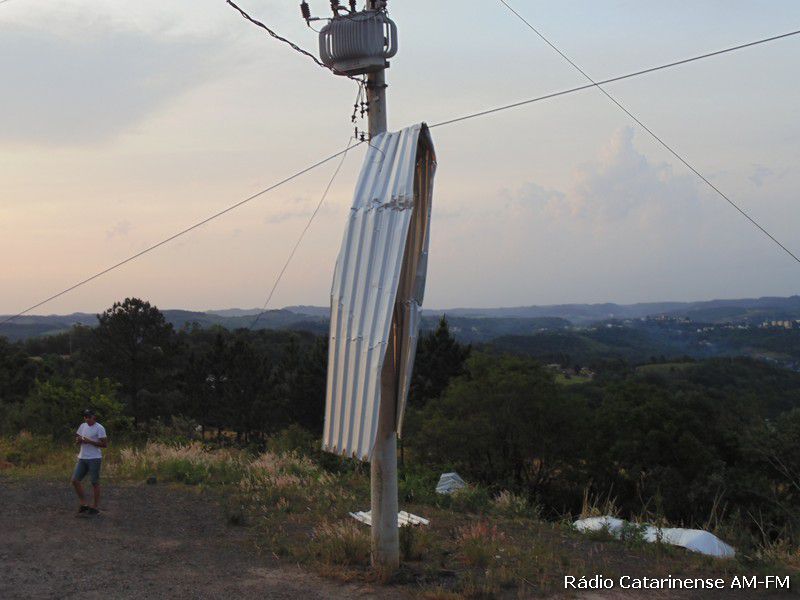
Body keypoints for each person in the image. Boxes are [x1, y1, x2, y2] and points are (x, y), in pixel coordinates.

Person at [71, 408, 108, 515]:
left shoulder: (99, 428)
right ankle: (84, 504)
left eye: (89, 417)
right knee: (75, 480)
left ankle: (95, 507)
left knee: (94, 482)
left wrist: (89, 441)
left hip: (94, 458)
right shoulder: (82, 426)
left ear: (94, 417)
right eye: (85, 417)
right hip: (82, 457)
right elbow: (78, 440)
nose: (87, 419)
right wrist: (79, 441)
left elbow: (104, 444)